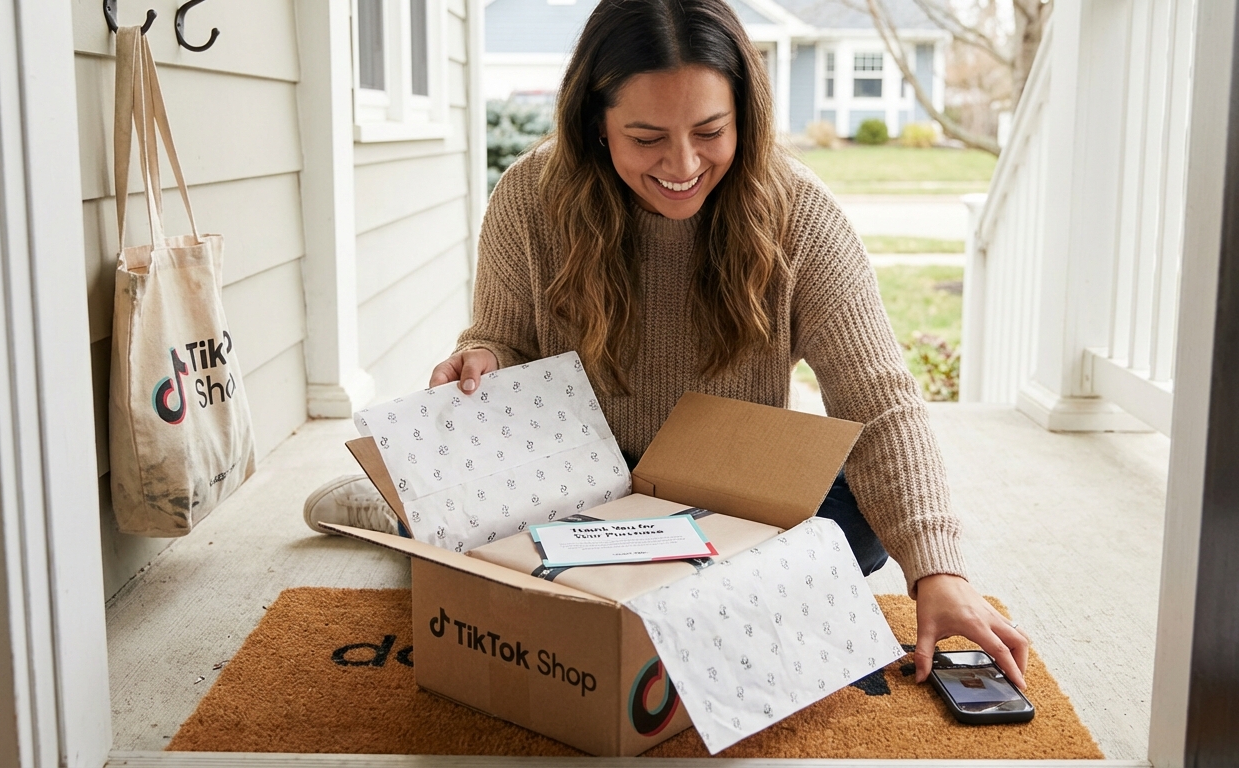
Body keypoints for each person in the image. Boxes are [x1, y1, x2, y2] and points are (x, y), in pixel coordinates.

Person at [304, 0, 1030, 689]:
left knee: (865, 526)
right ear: (596, 124)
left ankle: (497, 543)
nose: (682, 164)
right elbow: (502, 339)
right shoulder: (528, 198)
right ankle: (391, 507)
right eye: (647, 138)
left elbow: (880, 404)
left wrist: (940, 573)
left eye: (710, 131)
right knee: (445, 502)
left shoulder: (802, 214)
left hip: (725, 486)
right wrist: (486, 358)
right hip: (579, 480)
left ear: (743, 116)